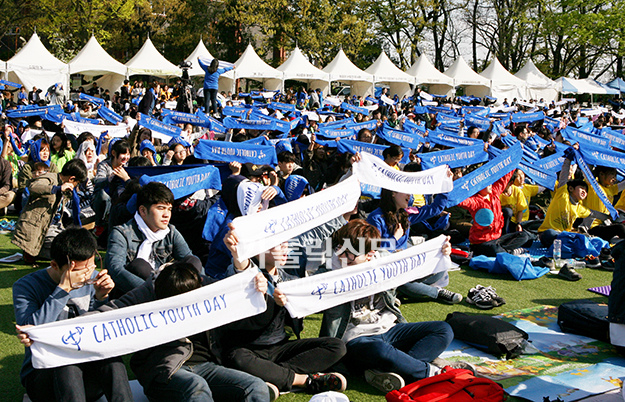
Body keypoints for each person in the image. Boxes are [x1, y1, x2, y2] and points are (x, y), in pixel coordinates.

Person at [315, 220, 469, 393]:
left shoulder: (385, 262)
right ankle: (429, 372)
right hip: (356, 340)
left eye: (350, 254)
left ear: (369, 254)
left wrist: (440, 253)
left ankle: (395, 368)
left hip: (390, 329)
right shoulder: (329, 271)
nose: (342, 257)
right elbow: (306, 288)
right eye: (340, 249)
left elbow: (418, 266)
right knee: (380, 350)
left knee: (443, 329)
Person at [97, 261, 273, 402]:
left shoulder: (206, 287)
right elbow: (104, 316)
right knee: (196, 387)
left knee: (255, 386)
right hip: (165, 370)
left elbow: (249, 314)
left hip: (207, 366)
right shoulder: (144, 294)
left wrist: (258, 292)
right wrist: (99, 298)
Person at [222, 225, 348, 396]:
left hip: (281, 348)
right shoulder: (251, 276)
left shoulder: (290, 279)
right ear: (259, 249)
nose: (285, 248)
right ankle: (305, 381)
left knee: (336, 346)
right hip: (248, 348)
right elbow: (241, 268)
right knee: (236, 359)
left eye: (286, 243)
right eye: (279, 244)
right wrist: (237, 255)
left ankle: (274, 376)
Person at [14, 227, 133, 402]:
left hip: (89, 377)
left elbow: (99, 330)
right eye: (79, 272)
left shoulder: (93, 279)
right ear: (54, 265)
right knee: (65, 359)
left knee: (111, 358)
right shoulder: (26, 286)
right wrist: (63, 289)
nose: (86, 276)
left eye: (91, 267)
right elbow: (31, 331)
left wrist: (101, 298)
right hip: (44, 379)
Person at [106, 182, 198, 295]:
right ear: (143, 211)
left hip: (165, 287)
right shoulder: (121, 233)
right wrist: (151, 291)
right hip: (136, 294)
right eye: (161, 208)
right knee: (140, 266)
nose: (166, 214)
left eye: (169, 209)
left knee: (193, 261)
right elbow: (116, 270)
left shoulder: (170, 231)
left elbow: (187, 257)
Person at [12, 159, 88, 262]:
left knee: (73, 244)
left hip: (55, 226)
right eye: (77, 183)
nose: (76, 186)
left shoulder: (66, 187)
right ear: (71, 179)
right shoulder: (50, 178)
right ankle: (33, 251)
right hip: (39, 227)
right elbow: (33, 187)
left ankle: (37, 250)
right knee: (65, 253)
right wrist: (57, 189)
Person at [538, 147, 611, 247]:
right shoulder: (563, 194)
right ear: (571, 189)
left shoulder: (580, 208)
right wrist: (568, 160)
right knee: (550, 234)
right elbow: (564, 175)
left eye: (586, 191)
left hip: (564, 236)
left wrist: (610, 216)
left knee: (581, 238)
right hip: (549, 234)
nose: (584, 192)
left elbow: (594, 214)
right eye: (581, 188)